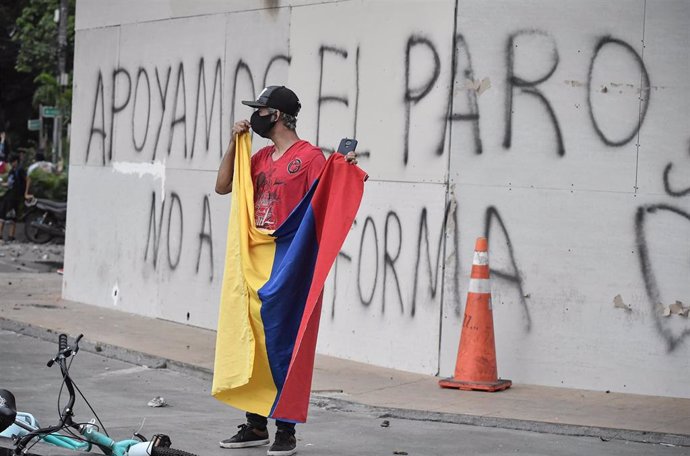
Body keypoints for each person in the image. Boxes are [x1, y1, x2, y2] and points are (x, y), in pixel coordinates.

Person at [214, 86, 357, 456]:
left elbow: (323, 203)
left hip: (289, 260)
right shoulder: (259, 157)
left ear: (275, 115)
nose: (255, 115)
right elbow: (223, 186)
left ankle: (286, 429)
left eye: (260, 110)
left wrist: (343, 171)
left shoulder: (309, 158)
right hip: (256, 256)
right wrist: (235, 143)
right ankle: (255, 424)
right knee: (255, 341)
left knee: (285, 343)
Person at [0, 154, 31, 243]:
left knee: (11, 216)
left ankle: (11, 236)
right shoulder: (12, 171)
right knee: (3, 215)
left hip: (15, 196)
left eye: (12, 162)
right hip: (9, 195)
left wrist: (26, 193)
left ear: (16, 161)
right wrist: (2, 184)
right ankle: (2, 236)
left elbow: (28, 179)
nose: (11, 164)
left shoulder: (20, 170)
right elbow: (10, 183)